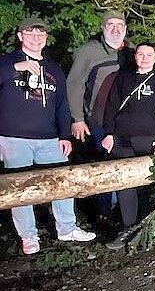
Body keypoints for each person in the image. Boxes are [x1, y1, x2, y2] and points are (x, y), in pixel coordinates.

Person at [0, 18, 96, 255]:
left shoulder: (53, 68)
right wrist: (17, 68)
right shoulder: (7, 61)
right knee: (21, 187)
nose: (36, 38)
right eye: (30, 33)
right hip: (14, 138)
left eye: (40, 34)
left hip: (49, 138)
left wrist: (65, 135)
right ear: (20, 36)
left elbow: (62, 105)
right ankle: (29, 236)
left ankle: (66, 228)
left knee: (61, 180)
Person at [101, 42, 155, 249]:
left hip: (149, 141)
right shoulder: (123, 78)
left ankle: (147, 228)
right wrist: (109, 134)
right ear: (135, 57)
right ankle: (127, 227)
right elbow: (111, 107)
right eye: (140, 54)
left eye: (149, 54)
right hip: (122, 140)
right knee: (125, 184)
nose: (144, 58)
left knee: (150, 185)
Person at [67, 10, 135, 152]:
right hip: (99, 120)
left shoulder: (133, 51)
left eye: (120, 25)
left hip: (128, 119)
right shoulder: (88, 52)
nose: (115, 29)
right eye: (110, 24)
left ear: (125, 29)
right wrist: (78, 119)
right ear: (102, 27)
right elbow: (74, 85)